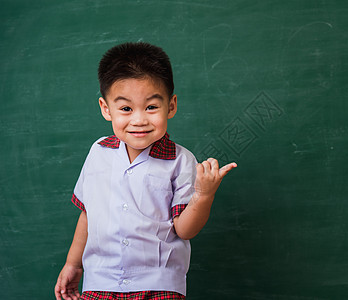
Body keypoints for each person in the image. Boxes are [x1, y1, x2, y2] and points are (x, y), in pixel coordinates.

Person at [54, 42, 237, 300]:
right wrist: (74, 264)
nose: (139, 120)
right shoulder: (98, 152)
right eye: (126, 108)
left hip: (158, 284)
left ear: (171, 106)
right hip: (100, 282)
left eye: (151, 107)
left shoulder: (181, 161)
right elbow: (88, 214)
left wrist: (204, 195)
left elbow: (184, 230)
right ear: (106, 109)